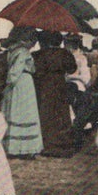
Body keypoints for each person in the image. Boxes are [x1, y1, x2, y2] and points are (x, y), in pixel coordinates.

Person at [33, 30, 78, 158]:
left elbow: (34, 70)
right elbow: (72, 68)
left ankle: (47, 145)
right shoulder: (64, 53)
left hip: (43, 85)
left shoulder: (37, 55)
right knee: (61, 113)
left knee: (45, 113)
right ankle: (63, 144)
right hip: (59, 85)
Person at [1, 29, 43, 158]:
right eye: (33, 42)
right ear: (28, 40)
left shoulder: (11, 51)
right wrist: (11, 81)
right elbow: (15, 70)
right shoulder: (23, 52)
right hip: (23, 82)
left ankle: (13, 145)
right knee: (25, 111)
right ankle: (25, 148)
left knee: (14, 110)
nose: (34, 45)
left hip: (17, 82)